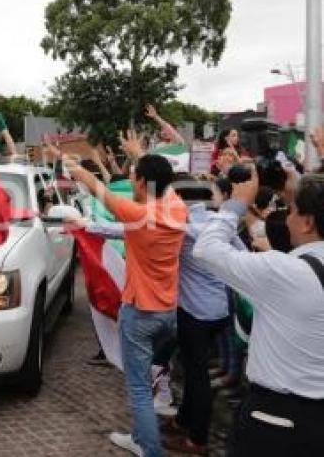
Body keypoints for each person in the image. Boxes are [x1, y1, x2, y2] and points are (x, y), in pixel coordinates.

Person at [62, 131, 187, 457]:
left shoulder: (137, 214)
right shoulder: (176, 208)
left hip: (140, 313)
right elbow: (162, 181)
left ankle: (148, 448)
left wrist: (77, 169)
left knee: (138, 388)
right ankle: (143, 433)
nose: (131, 181)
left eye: (134, 177)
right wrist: (138, 155)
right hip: (169, 313)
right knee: (151, 376)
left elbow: (99, 189)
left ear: (143, 183)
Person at [193, 169, 324, 456]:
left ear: (308, 222)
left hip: (277, 420)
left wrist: (235, 206)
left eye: (291, 210)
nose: (285, 218)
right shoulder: (287, 268)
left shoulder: (284, 271)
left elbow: (206, 249)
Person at [161, 178, 244, 455]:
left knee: (197, 378)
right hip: (220, 310)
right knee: (193, 366)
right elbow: (243, 256)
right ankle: (184, 420)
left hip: (195, 314)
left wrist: (88, 226)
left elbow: (126, 232)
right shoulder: (220, 223)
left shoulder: (183, 227)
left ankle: (197, 440)